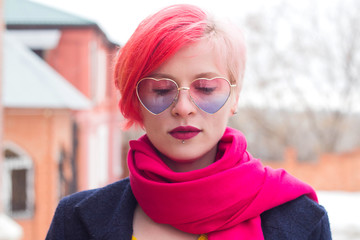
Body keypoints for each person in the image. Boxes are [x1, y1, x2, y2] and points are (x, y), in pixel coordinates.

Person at [46, 4, 331, 240]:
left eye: (205, 88)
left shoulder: (302, 220)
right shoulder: (78, 220)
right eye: (160, 90)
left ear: (235, 97)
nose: (183, 108)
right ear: (135, 102)